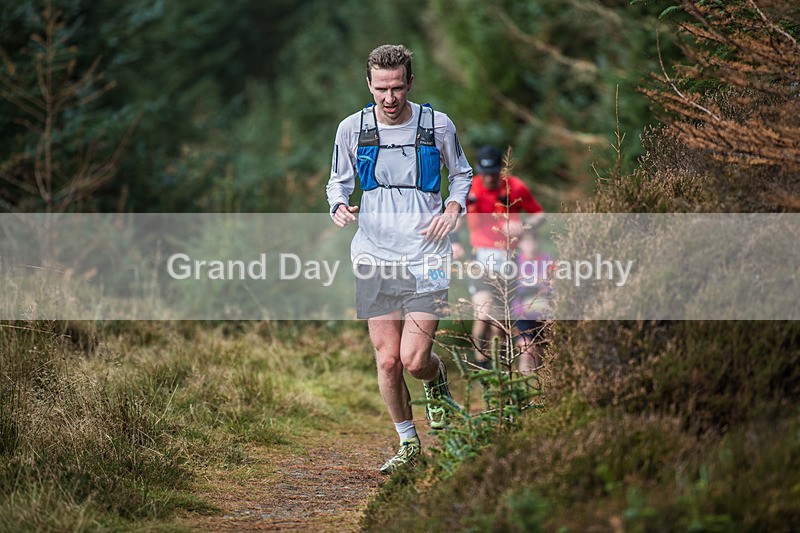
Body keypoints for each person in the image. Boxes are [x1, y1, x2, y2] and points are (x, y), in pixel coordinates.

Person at [326, 44, 473, 474]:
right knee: (388, 361)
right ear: (368, 85)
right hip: (374, 255)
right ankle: (408, 443)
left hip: (427, 254)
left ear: (410, 82)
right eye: (380, 89)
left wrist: (453, 208)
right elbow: (338, 181)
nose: (389, 99)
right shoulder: (352, 129)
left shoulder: (437, 125)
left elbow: (461, 173)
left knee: (414, 359)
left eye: (396, 88)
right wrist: (338, 206)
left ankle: (437, 378)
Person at [451, 146, 544, 369]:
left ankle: (500, 372)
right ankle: (480, 369)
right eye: (486, 173)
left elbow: (539, 216)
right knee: (482, 312)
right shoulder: (470, 190)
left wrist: (522, 227)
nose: (490, 178)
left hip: (509, 259)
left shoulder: (515, 187)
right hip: (480, 258)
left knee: (500, 321)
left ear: (500, 169)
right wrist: (454, 242)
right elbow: (456, 220)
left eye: (494, 172)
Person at [512, 229, 554, 374]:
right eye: (526, 241)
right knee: (526, 348)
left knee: (542, 351)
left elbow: (555, 285)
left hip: (545, 313)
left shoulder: (548, 260)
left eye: (532, 241)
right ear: (520, 244)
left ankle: (540, 386)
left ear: (537, 242)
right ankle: (523, 384)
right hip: (523, 313)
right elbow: (513, 288)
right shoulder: (515, 262)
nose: (529, 244)